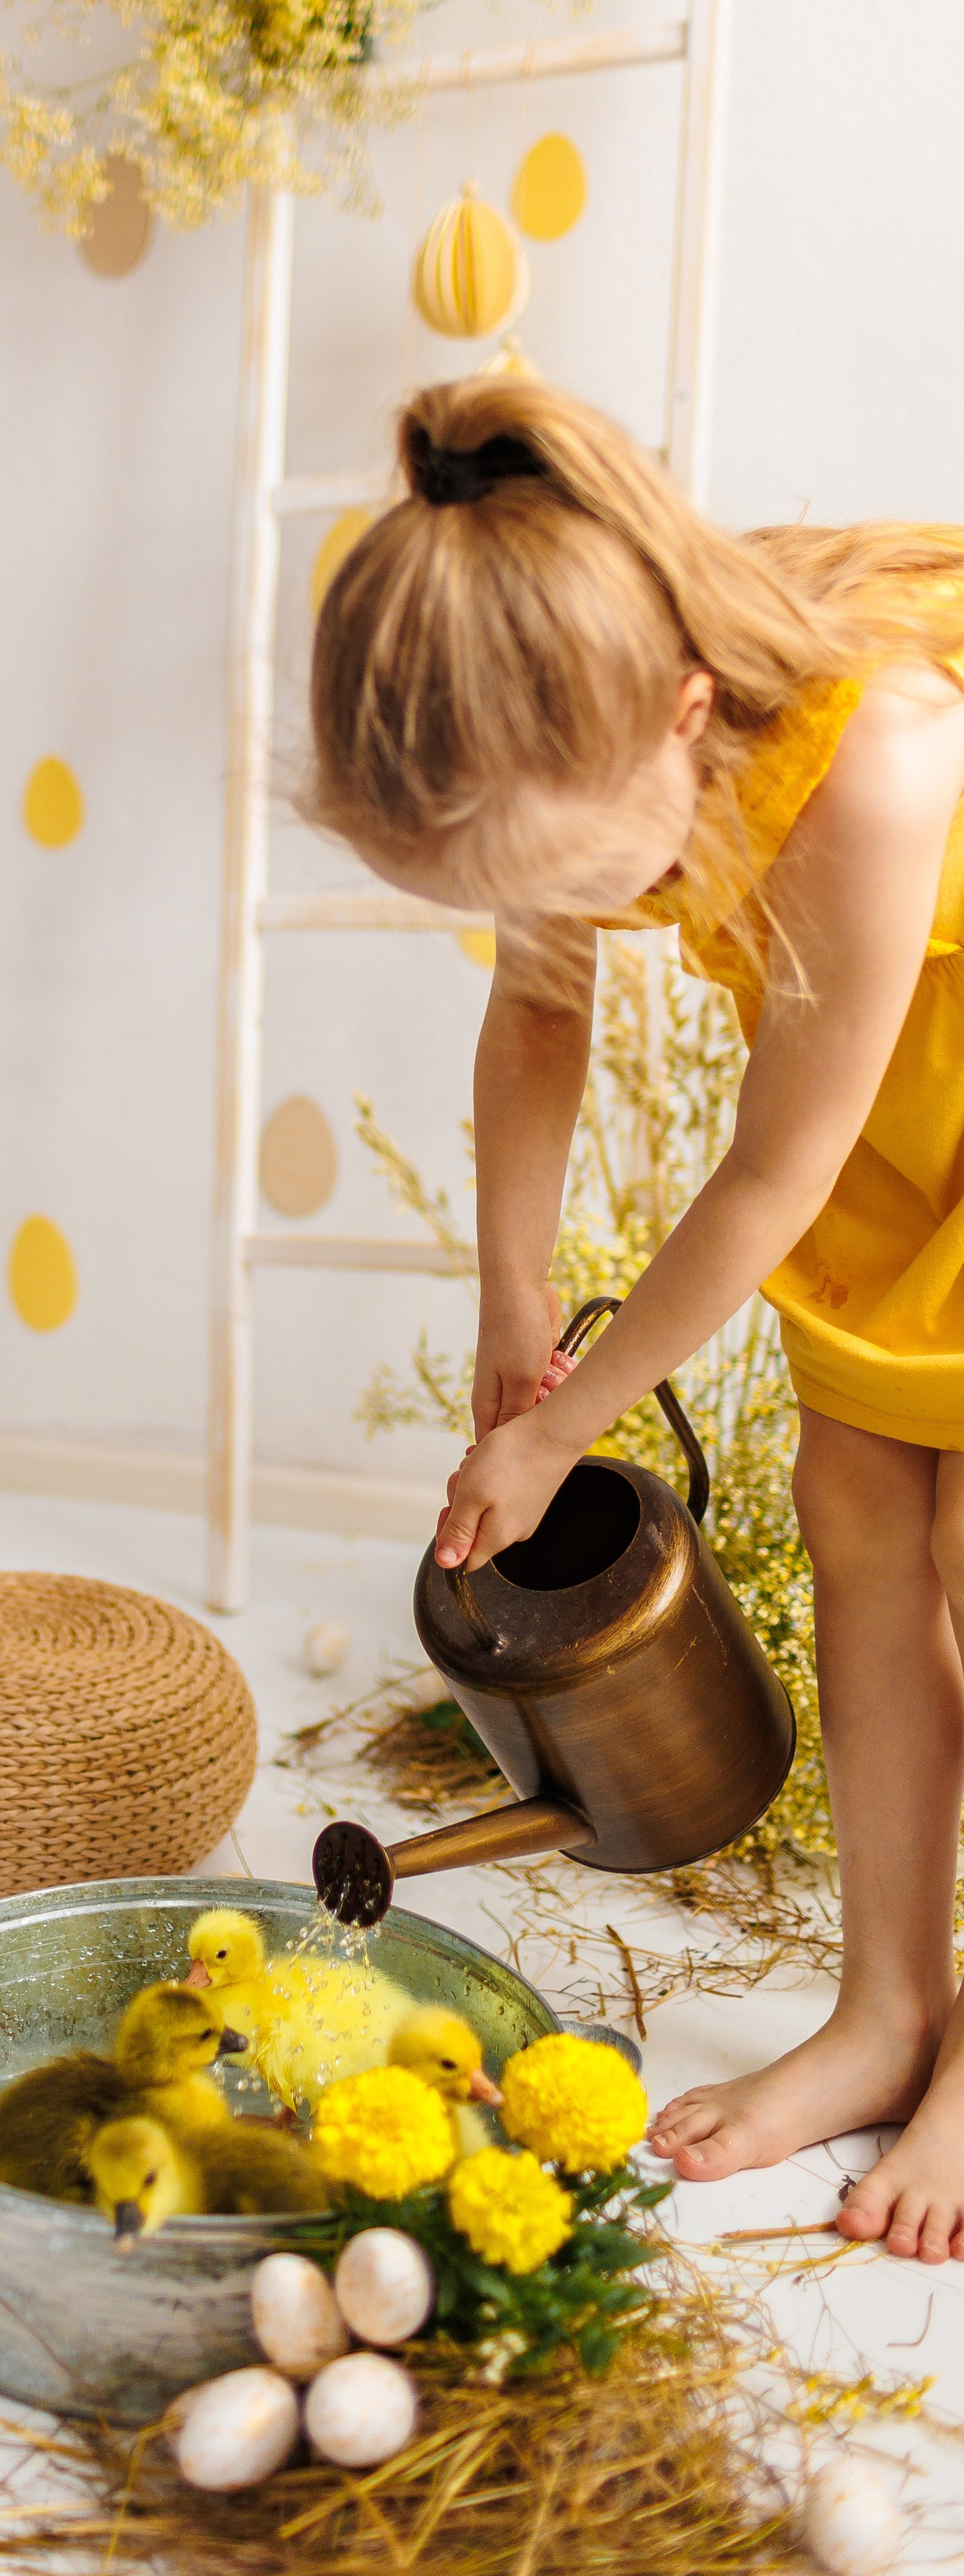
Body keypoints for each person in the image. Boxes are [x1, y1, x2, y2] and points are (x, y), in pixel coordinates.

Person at [310, 375, 964, 2266]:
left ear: (686, 722)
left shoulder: (883, 752)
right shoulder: (591, 674)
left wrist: (561, 1422)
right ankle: (886, 2005)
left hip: (861, 1107)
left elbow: (767, 1174)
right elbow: (539, 1018)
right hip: (906, 1111)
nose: (586, 912)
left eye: (581, 873)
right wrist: (517, 1299)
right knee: (860, 1517)